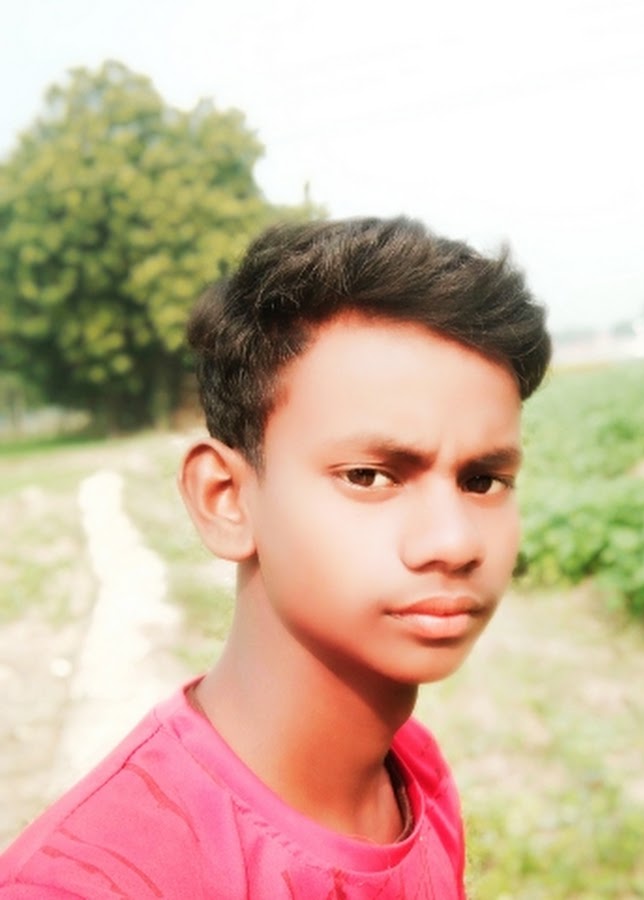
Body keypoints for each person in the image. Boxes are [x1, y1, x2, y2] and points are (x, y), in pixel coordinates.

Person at [0, 216, 551, 897]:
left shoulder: (416, 775)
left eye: (483, 481)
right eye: (369, 476)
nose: (455, 541)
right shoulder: (92, 883)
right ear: (226, 498)